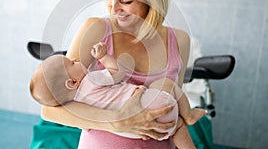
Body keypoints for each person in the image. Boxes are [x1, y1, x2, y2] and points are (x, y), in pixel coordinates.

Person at [30, 0, 194, 148]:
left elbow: (173, 108)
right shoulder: (96, 30)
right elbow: (50, 110)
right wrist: (116, 121)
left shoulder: (179, 41)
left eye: (125, 1)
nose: (114, 9)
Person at [30, 42, 206, 148]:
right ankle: (189, 115)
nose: (76, 59)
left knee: (175, 126)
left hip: (134, 132)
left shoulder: (77, 107)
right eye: (71, 63)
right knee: (167, 86)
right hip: (151, 104)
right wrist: (104, 56)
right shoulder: (91, 80)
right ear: (73, 83)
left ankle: (182, 122)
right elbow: (117, 72)